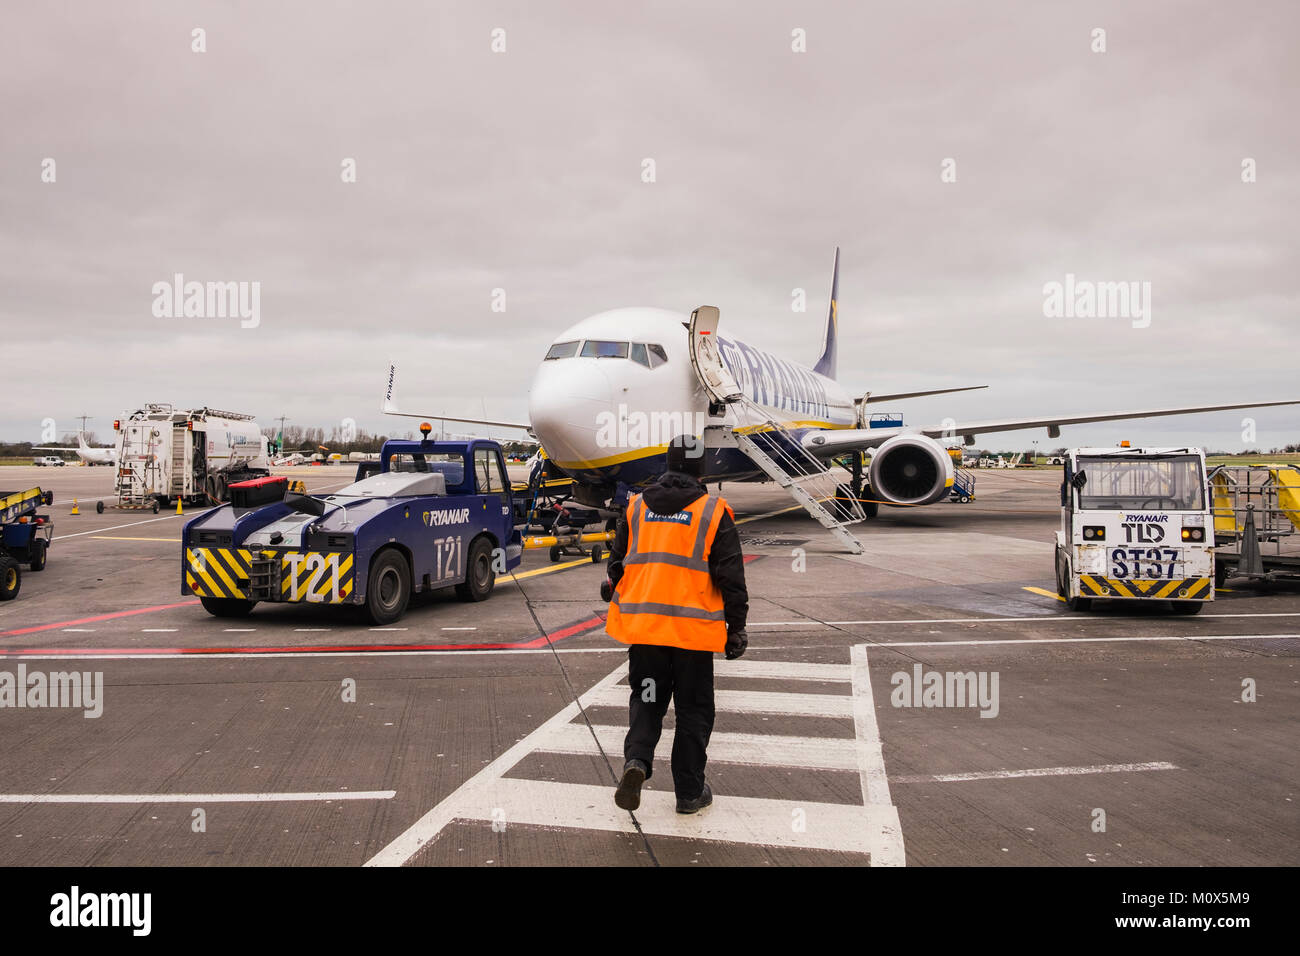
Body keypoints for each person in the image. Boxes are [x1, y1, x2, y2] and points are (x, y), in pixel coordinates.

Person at [603, 434, 748, 814]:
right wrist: (737, 627)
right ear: (701, 468)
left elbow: (617, 565)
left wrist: (617, 586)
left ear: (666, 463)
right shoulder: (713, 511)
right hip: (693, 635)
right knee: (693, 710)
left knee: (647, 699)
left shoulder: (635, 507)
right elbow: (731, 576)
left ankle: (637, 761)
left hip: (646, 632)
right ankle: (688, 791)